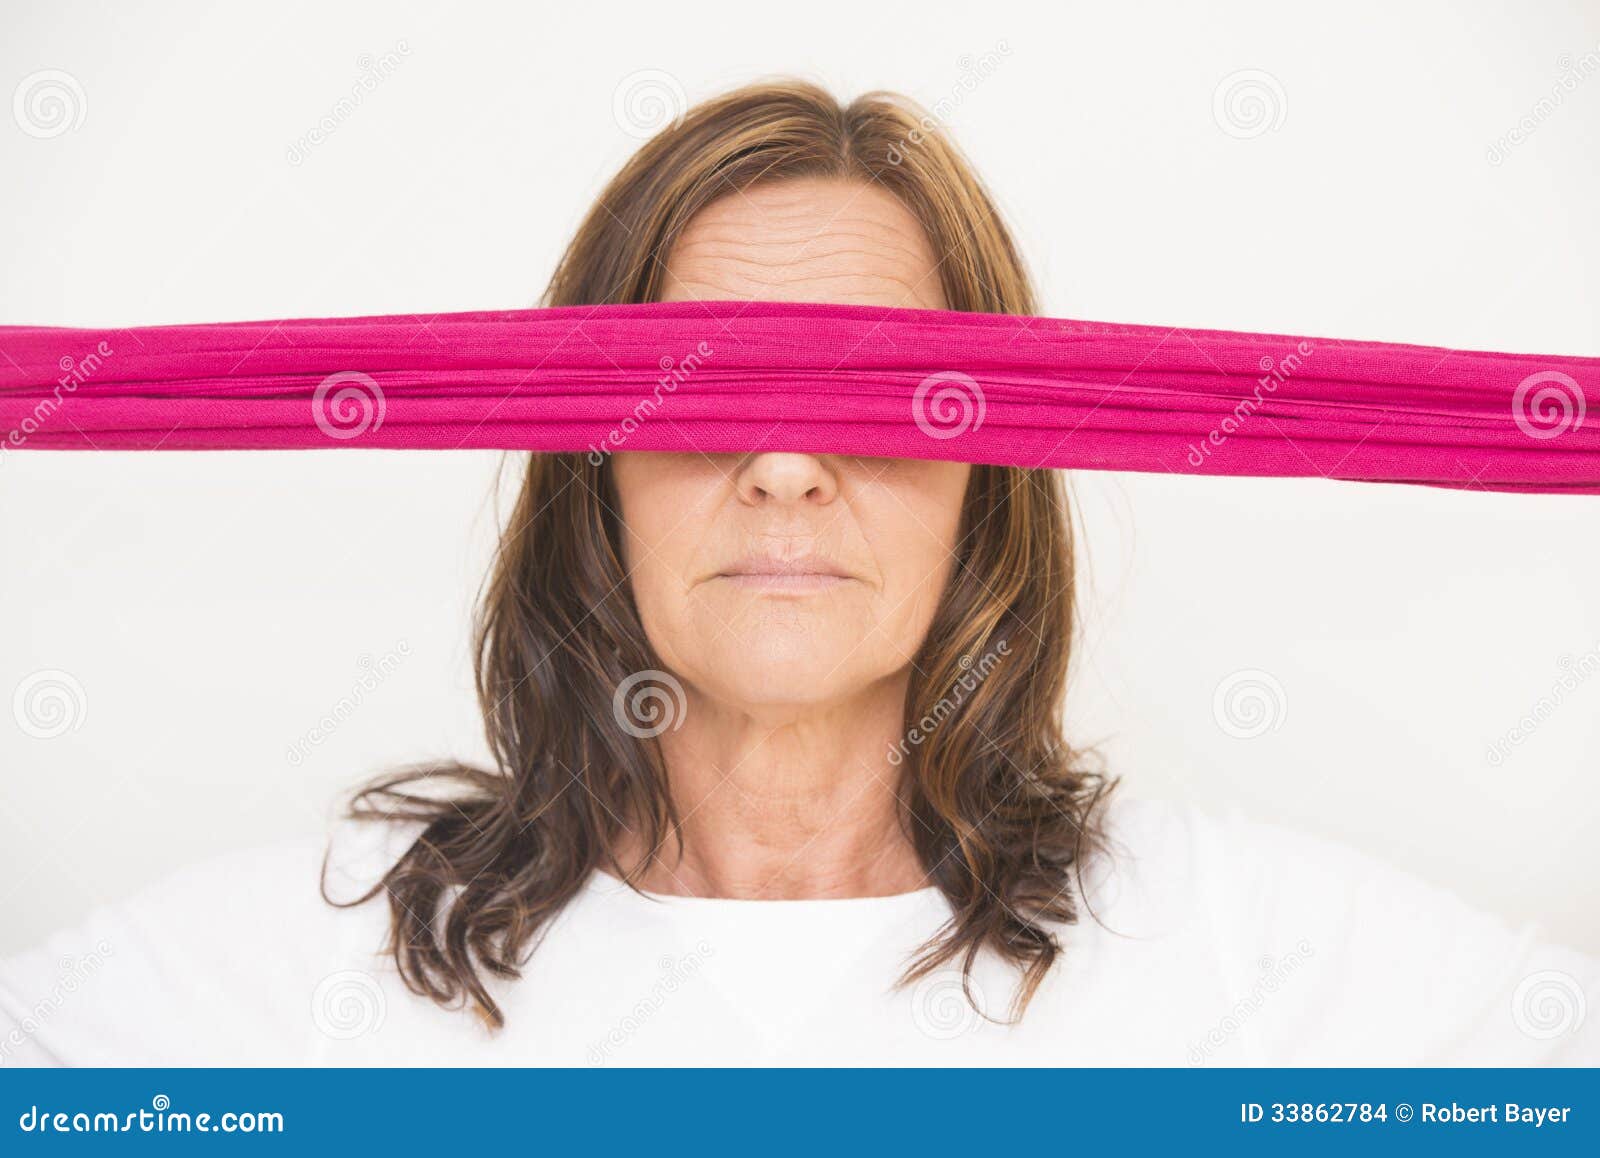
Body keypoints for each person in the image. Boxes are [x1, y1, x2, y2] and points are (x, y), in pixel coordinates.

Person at [1, 81, 1593, 1066]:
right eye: (696, 392)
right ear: (592, 468)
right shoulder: (256, 986)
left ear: (986, 475)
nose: (783, 463)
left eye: (876, 392)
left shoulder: (1264, 963)